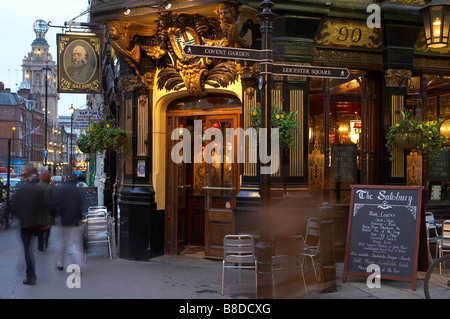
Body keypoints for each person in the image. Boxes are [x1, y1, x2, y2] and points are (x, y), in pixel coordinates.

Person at [11, 164, 43, 285]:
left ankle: (31, 276)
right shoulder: (37, 189)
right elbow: (43, 206)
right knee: (30, 249)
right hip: (35, 223)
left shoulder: (21, 189)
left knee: (27, 250)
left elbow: (14, 208)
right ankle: (30, 273)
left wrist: (21, 217)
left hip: (25, 224)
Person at [51, 173, 83, 271]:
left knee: (61, 243)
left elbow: (55, 204)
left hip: (61, 221)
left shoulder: (59, 189)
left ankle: (60, 264)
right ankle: (77, 266)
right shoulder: (77, 190)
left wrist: (54, 218)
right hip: (74, 221)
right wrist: (78, 219)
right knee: (75, 244)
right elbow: (80, 205)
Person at [37, 170, 54, 252]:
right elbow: (54, 200)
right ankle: (45, 241)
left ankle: (40, 244)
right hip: (48, 211)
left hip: (38, 212)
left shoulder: (36, 186)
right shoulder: (50, 187)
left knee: (40, 229)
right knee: (47, 228)